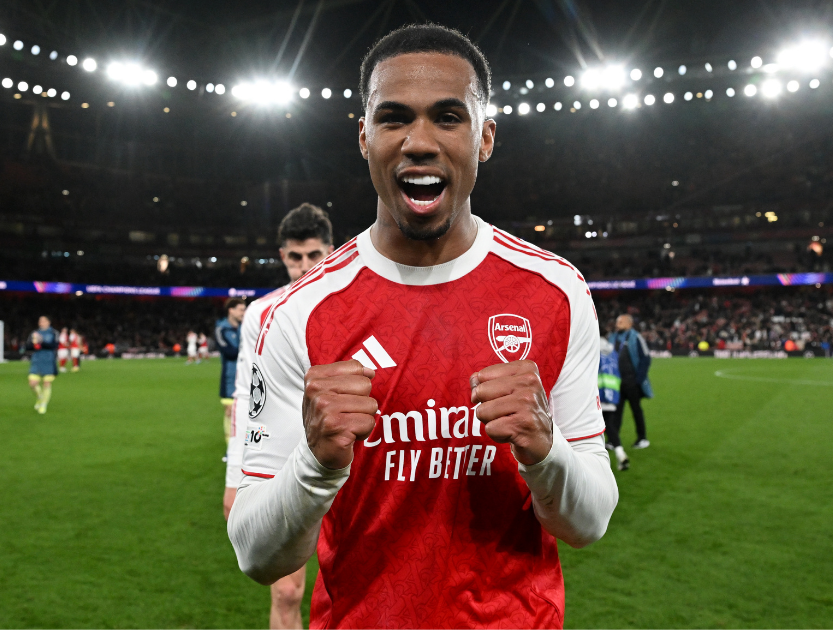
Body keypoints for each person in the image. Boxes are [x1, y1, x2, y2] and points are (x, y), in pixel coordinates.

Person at [228, 24, 618, 629]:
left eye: (448, 117)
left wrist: (546, 450)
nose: (419, 142)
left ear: (485, 137)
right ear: (364, 137)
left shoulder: (555, 292)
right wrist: (316, 463)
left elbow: (589, 523)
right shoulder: (294, 315)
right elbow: (255, 554)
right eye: (393, 118)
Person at [224, 202, 334, 629]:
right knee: (287, 591)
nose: (304, 265)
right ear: (283, 256)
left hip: (361, 462)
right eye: (295, 257)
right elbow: (246, 399)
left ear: (330, 250)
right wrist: (237, 476)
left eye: (313, 255)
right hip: (288, 462)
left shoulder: (358, 305)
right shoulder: (262, 313)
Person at [609, 314, 653, 449]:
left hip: (631, 382)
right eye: (617, 321)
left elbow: (646, 359)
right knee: (615, 412)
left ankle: (642, 438)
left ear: (629, 324)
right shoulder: (613, 337)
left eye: (620, 322)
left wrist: (638, 380)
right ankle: (613, 441)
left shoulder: (636, 337)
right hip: (616, 382)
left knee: (636, 410)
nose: (617, 324)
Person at [215, 298, 246, 442]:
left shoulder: (246, 327)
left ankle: (243, 445)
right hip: (230, 379)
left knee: (247, 413)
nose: (243, 312)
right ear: (231, 310)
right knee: (229, 413)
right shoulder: (221, 329)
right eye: (241, 309)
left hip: (247, 377)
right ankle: (231, 449)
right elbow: (230, 353)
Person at [599, 334, 628, 470]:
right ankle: (620, 453)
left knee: (594, 429)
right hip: (612, 392)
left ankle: (600, 465)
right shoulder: (613, 351)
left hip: (597, 394)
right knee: (609, 426)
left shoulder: (591, 347)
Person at [27, 316, 59, 414]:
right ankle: (40, 397)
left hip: (49, 360)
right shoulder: (35, 333)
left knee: (46, 383)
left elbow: (54, 345)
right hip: (37, 359)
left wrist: (41, 341)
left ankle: (43, 405)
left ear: (49, 322)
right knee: (32, 383)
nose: (41, 323)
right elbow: (28, 346)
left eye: (44, 321)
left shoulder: (53, 333)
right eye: (40, 321)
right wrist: (33, 343)